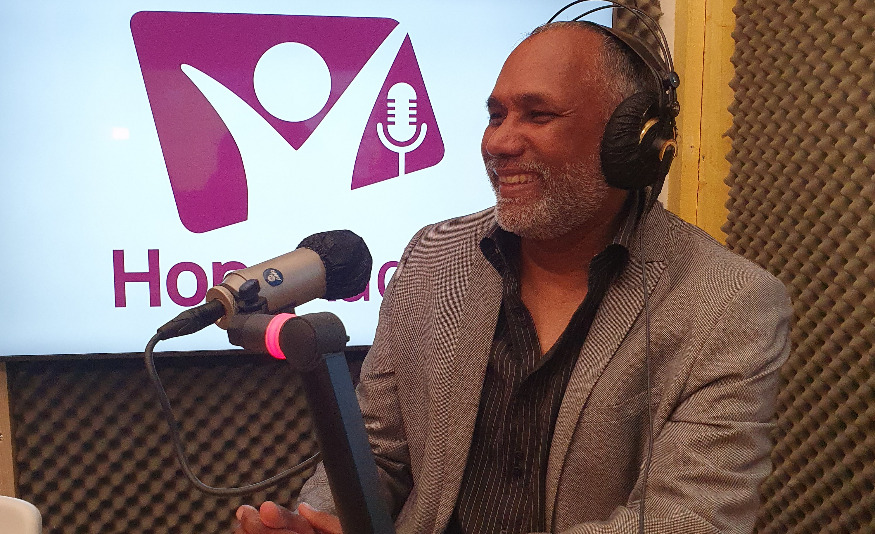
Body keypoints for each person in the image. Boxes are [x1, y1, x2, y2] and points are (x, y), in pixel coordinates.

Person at [234, 20, 790, 534]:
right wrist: (321, 518)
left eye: (537, 115)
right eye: (496, 115)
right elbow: (377, 449)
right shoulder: (433, 257)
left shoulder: (729, 303)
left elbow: (690, 520)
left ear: (631, 140)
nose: (499, 143)